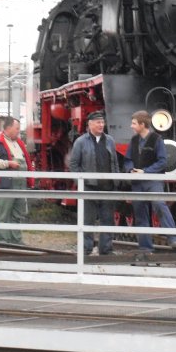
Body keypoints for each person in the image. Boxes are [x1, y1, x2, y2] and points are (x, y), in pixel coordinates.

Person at [124, 110, 176, 252]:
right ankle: (145, 247)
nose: (131, 126)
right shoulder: (134, 140)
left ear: (142, 124)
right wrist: (130, 170)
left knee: (159, 204)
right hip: (137, 181)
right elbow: (128, 159)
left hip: (153, 181)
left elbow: (162, 161)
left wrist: (146, 171)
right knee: (140, 212)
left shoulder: (157, 140)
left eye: (134, 123)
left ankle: (174, 238)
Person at [69, 110, 119, 256]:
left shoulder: (110, 140)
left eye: (102, 122)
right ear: (90, 124)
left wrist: (116, 180)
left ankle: (106, 249)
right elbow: (74, 164)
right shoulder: (80, 142)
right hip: (89, 187)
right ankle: (86, 249)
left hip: (108, 187)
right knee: (87, 221)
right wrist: (81, 181)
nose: (101, 125)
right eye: (98, 122)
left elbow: (114, 162)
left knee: (108, 220)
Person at [0, 117, 33, 245]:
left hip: (20, 184)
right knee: (4, 213)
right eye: (17, 128)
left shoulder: (19, 143)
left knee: (17, 213)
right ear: (8, 128)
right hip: (6, 184)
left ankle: (16, 241)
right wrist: (8, 163)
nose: (19, 131)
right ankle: (3, 241)